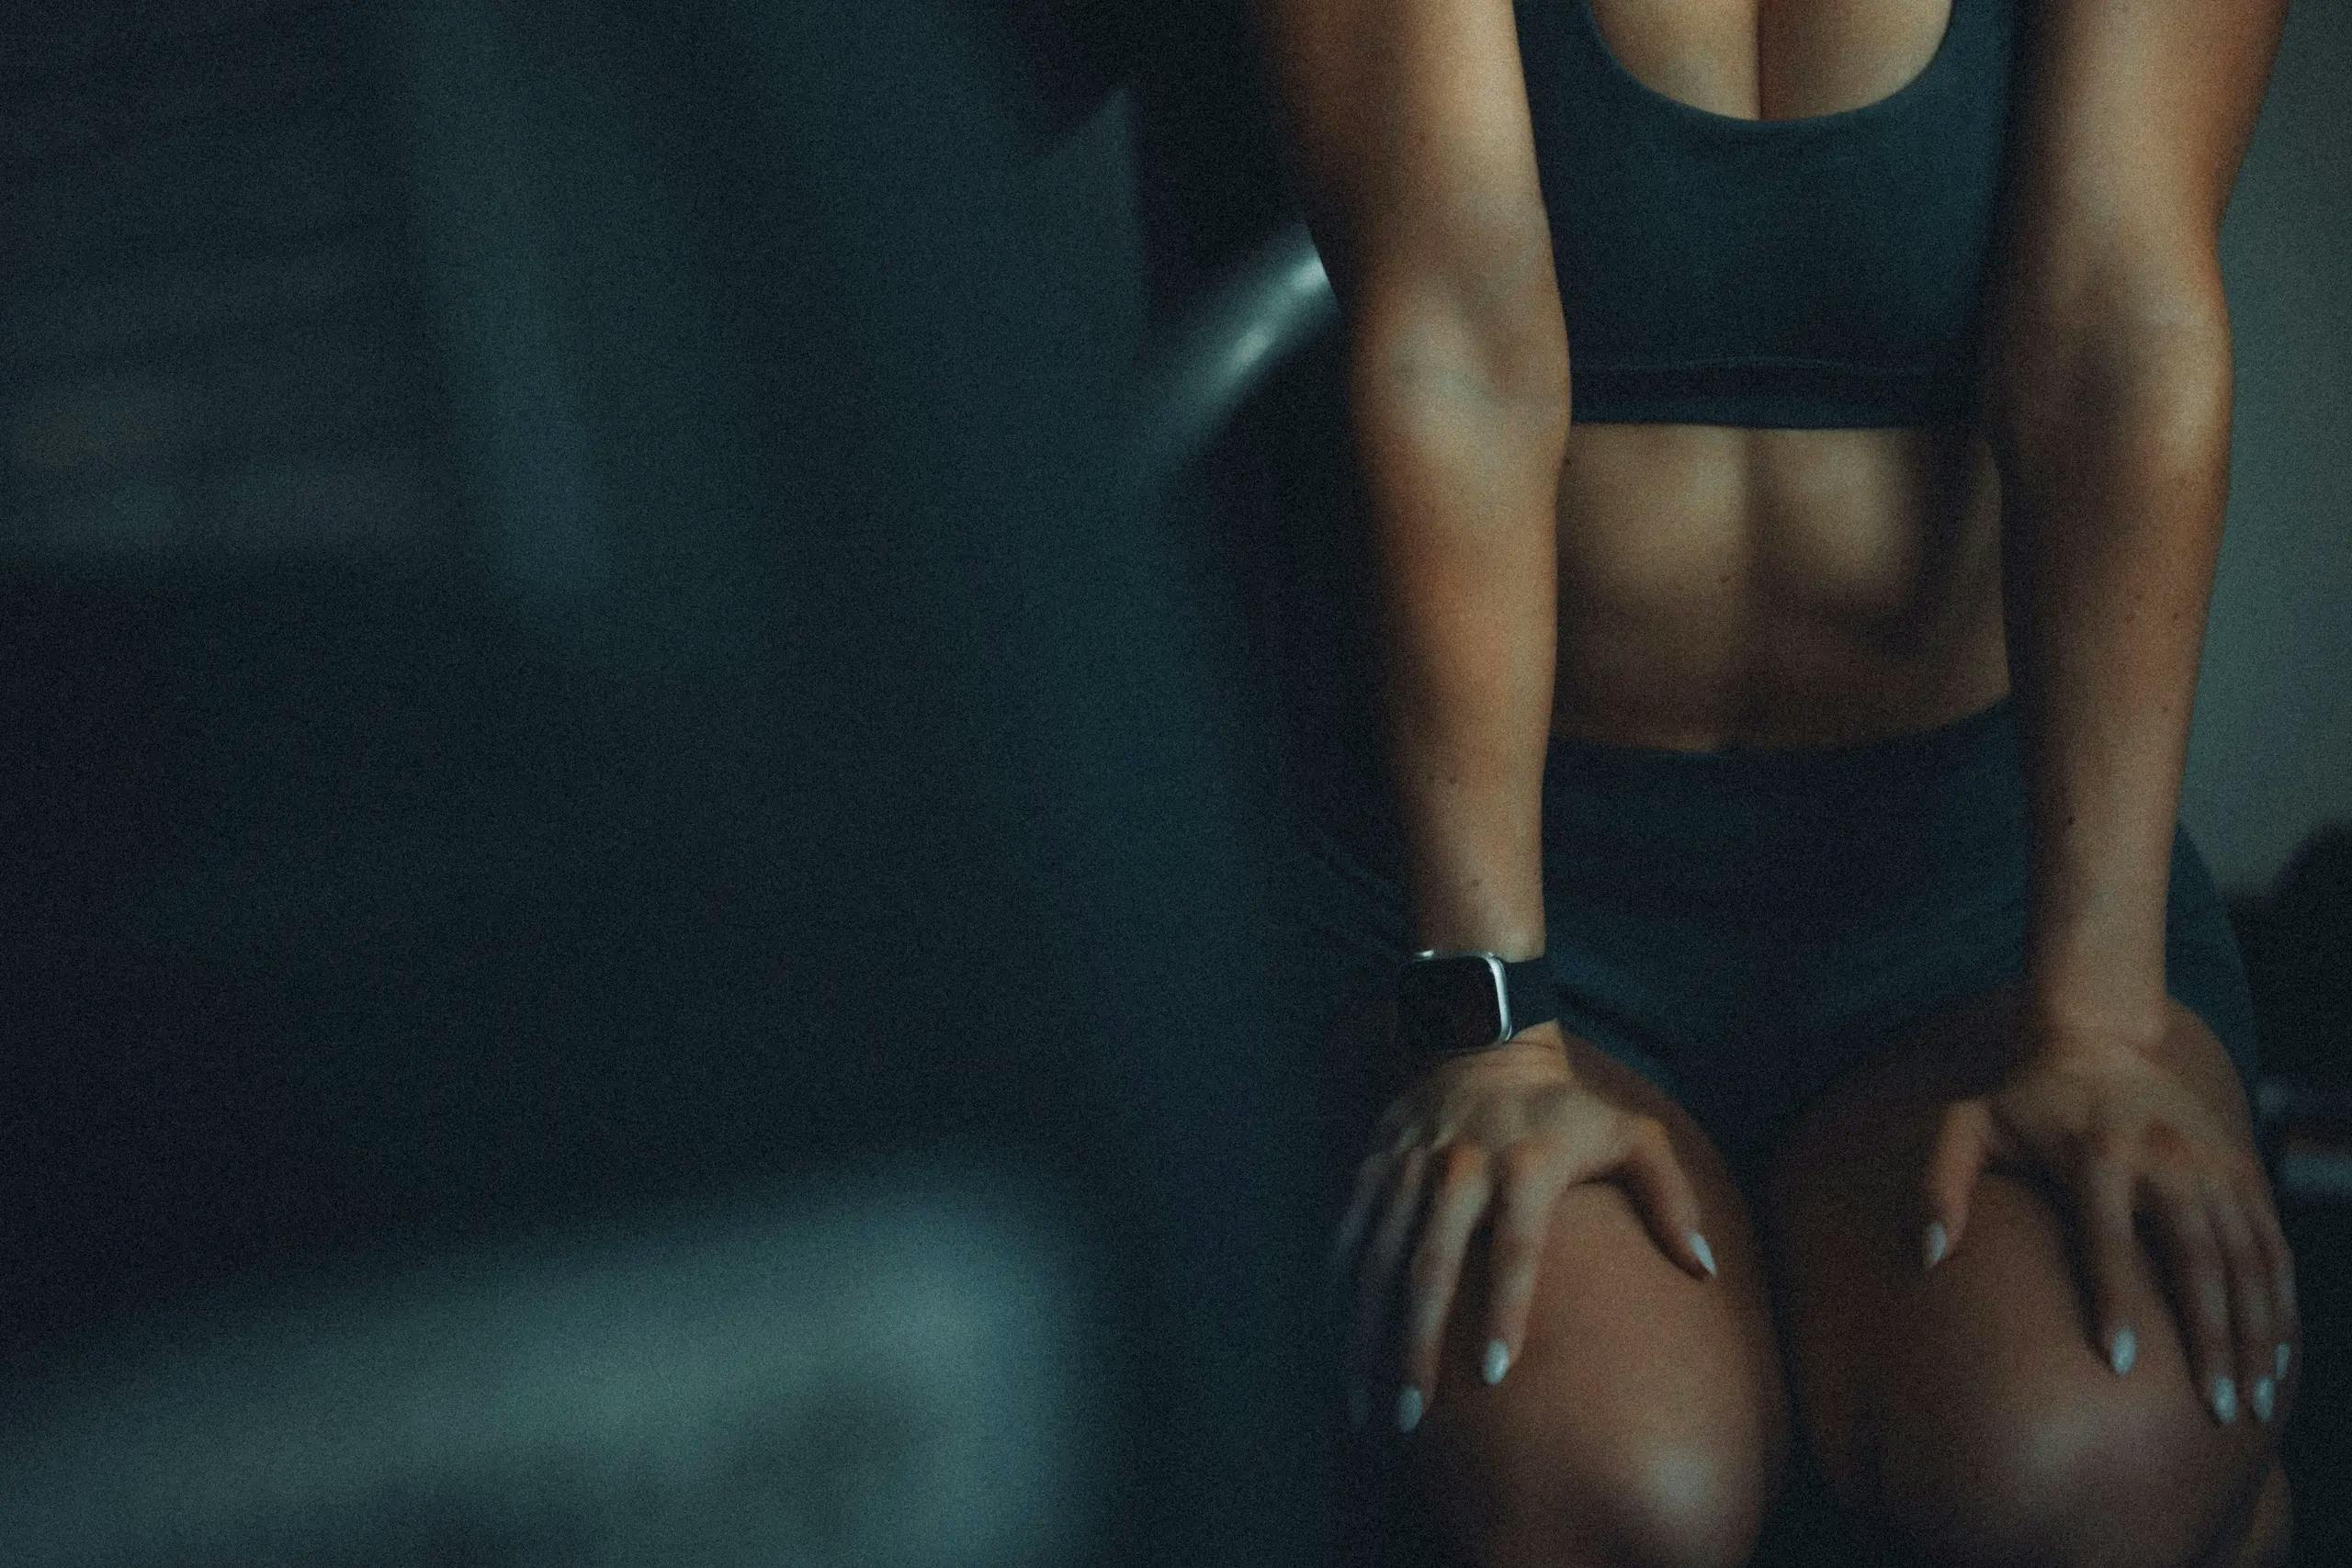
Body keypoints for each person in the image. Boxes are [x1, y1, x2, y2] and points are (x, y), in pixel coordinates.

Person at [1245, 0, 2300, 1563]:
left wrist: (2096, 1024)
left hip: (1970, 900)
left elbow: (2116, 333)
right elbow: (1455, 332)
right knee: (1601, 1485)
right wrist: (1493, 1027)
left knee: (2093, 1457)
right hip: (1496, 883)